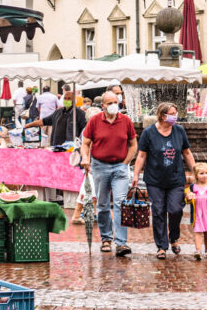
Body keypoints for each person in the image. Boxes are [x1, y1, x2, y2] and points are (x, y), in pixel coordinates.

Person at [132, 102, 196, 259]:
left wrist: (196, 172)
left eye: (176, 113)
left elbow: (187, 153)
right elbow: (141, 155)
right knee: (158, 211)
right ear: (162, 115)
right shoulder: (149, 133)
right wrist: (135, 175)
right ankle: (161, 245)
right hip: (155, 180)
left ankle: (174, 238)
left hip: (175, 179)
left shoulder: (179, 131)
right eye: (172, 113)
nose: (175, 116)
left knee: (175, 210)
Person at [79, 91, 138, 255]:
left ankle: (121, 242)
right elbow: (85, 143)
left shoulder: (125, 120)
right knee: (103, 204)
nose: (114, 105)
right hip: (100, 166)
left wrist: (126, 162)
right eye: (110, 103)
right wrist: (85, 158)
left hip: (120, 166)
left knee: (120, 203)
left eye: (115, 102)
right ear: (102, 105)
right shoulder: (95, 121)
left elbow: (133, 144)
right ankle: (106, 238)